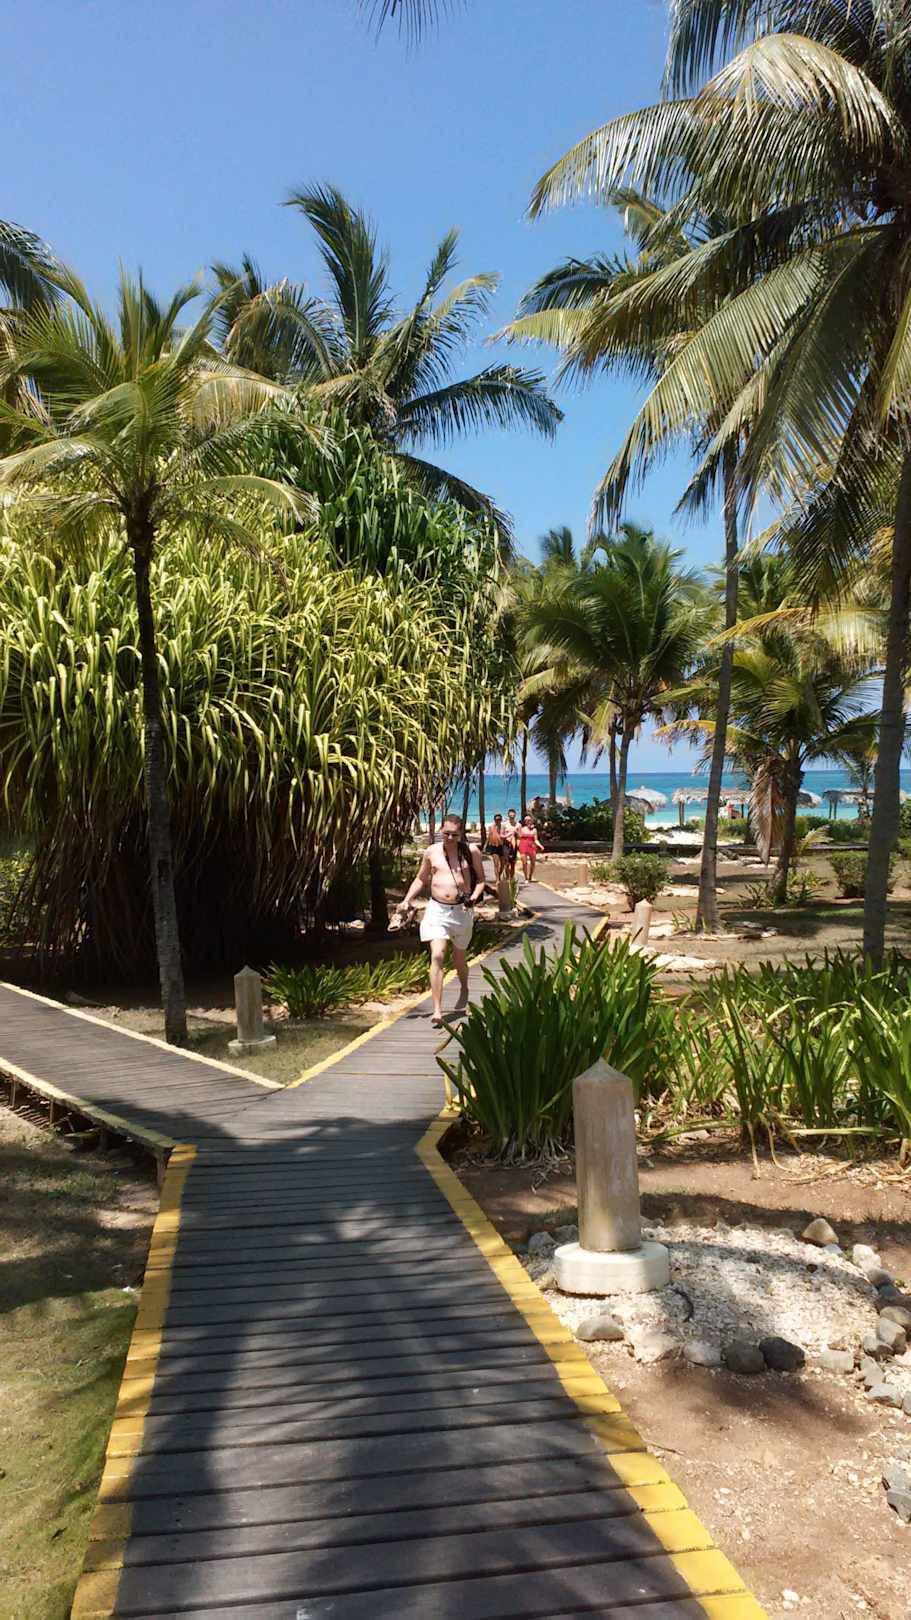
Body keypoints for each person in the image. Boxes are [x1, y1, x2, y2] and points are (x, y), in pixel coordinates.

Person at [396, 813, 485, 1027]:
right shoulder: (432, 851)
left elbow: (481, 880)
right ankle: (437, 1009)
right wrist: (407, 900)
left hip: (462, 911)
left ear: (461, 833)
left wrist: (473, 898)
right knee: (437, 955)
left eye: (454, 834)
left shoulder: (471, 851)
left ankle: (464, 987)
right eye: (446, 834)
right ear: (441, 831)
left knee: (459, 958)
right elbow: (421, 879)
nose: (450, 838)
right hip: (437, 910)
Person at [517, 814, 545, 882]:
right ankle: (526, 878)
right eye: (526, 820)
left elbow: (536, 840)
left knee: (533, 863)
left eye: (529, 820)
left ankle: (530, 876)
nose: (528, 821)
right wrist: (517, 847)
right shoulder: (522, 829)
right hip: (523, 846)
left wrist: (540, 846)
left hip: (532, 846)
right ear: (525, 821)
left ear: (531, 821)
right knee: (524, 862)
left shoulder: (534, 830)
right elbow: (518, 838)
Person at [485, 811, 506, 878]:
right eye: (496, 819)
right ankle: (497, 879)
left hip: (501, 846)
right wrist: (485, 846)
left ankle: (498, 876)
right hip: (494, 846)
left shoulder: (503, 827)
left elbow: (506, 836)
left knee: (503, 864)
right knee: (496, 864)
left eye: (499, 819)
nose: (498, 821)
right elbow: (489, 837)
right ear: (494, 820)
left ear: (501, 820)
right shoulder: (491, 827)